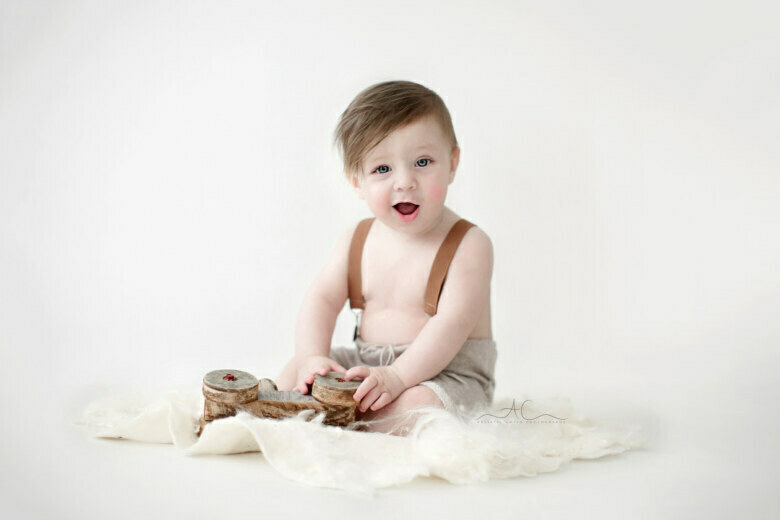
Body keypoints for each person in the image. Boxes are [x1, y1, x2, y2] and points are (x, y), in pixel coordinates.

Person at [275, 80, 497, 434]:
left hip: (445, 374)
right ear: (357, 181)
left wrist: (397, 376)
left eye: (422, 162)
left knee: (419, 406)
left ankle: (344, 420)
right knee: (292, 373)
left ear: (452, 163)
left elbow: (451, 323)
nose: (405, 182)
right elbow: (321, 299)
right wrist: (312, 359)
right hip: (368, 364)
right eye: (382, 169)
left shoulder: (469, 244)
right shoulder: (357, 239)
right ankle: (305, 410)